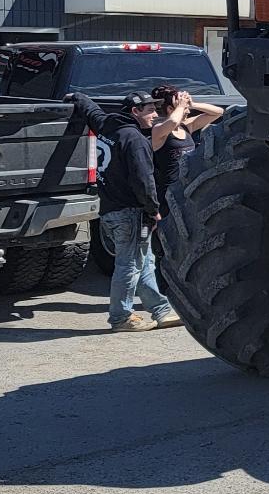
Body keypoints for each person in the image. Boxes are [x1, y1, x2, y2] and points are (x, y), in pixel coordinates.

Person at [67, 90, 179, 332]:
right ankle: (120, 317)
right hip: (130, 213)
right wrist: (153, 210)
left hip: (110, 210)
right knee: (129, 265)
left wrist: (77, 96)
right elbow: (143, 180)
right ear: (135, 112)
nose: (155, 115)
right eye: (149, 110)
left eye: (156, 109)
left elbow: (91, 110)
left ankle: (161, 311)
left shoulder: (108, 125)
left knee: (144, 261)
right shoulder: (136, 140)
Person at [146, 84, 226, 216]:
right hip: (168, 194)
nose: (188, 111)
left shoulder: (186, 126)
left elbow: (218, 112)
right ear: (170, 109)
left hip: (189, 189)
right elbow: (171, 122)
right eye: (184, 108)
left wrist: (192, 104)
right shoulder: (158, 131)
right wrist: (181, 105)